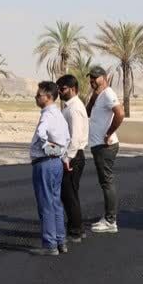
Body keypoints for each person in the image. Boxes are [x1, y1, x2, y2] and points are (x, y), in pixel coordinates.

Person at [29, 81, 70, 256]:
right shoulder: (59, 115)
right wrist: (60, 153)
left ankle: (50, 245)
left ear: (48, 97)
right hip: (57, 163)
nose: (36, 97)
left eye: (39, 95)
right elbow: (67, 138)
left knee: (46, 203)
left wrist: (47, 147)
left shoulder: (47, 115)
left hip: (44, 162)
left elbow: (41, 133)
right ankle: (61, 241)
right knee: (55, 202)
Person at [86, 66, 125, 234]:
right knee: (105, 182)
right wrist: (93, 97)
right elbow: (87, 112)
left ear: (104, 77)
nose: (92, 80)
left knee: (107, 182)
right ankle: (109, 218)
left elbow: (120, 114)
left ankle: (110, 221)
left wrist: (109, 132)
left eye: (95, 77)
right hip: (98, 146)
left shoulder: (108, 94)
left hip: (105, 146)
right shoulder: (99, 95)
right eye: (91, 78)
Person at [57, 74, 89, 244]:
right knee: (70, 194)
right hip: (73, 155)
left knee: (69, 194)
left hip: (74, 156)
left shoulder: (74, 108)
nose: (60, 92)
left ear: (73, 89)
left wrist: (67, 158)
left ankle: (75, 231)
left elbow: (75, 138)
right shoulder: (69, 107)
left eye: (62, 89)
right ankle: (77, 227)